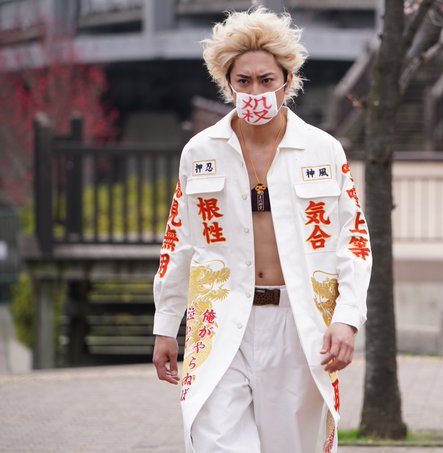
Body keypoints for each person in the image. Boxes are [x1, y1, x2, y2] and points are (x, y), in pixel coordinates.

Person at [151, 8, 372, 453]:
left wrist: (347, 318)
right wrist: (166, 324)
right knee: (214, 438)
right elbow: (181, 241)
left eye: (266, 80)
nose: (255, 92)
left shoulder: (323, 150)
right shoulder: (200, 151)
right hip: (220, 316)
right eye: (244, 81)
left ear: (288, 81)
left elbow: (353, 240)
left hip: (298, 321)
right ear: (227, 83)